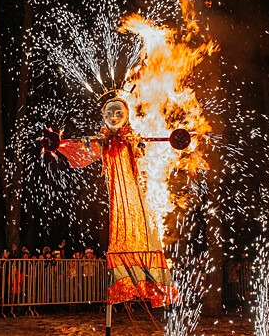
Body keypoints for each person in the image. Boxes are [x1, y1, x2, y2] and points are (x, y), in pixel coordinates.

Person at [55, 97, 178, 307]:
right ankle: (126, 280)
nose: (113, 117)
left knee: (139, 233)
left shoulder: (131, 138)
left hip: (132, 195)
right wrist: (59, 144)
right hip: (116, 198)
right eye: (109, 114)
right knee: (118, 235)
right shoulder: (101, 141)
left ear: (127, 116)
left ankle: (148, 279)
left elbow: (144, 150)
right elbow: (80, 149)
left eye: (118, 113)